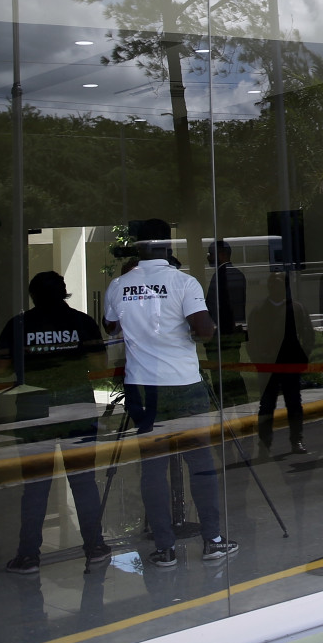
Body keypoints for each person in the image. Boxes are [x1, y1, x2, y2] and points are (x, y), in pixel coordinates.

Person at [102, 224, 237, 568]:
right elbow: (205, 330)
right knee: (200, 464)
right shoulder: (184, 282)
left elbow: (110, 325)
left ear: (137, 248)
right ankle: (213, 540)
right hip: (183, 383)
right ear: (168, 246)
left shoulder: (119, 285)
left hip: (142, 386)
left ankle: (164, 547)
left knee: (152, 470)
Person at [0, 272, 111, 574]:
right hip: (77, 406)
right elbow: (99, 364)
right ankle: (95, 547)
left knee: (35, 485)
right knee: (83, 480)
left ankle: (28, 556)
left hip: (34, 409)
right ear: (64, 292)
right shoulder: (82, 321)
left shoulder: (19, 324)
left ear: (33, 295)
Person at [248, 273, 315, 459]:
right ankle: (264, 445)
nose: (275, 287)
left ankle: (297, 440)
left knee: (294, 404)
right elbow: (252, 338)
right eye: (272, 283)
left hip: (291, 365)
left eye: (279, 284)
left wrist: (303, 357)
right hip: (268, 366)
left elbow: (308, 334)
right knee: (267, 406)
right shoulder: (259, 310)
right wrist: (258, 359)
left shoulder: (297, 308)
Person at [205, 239, 249, 406]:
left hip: (222, 337)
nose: (208, 258)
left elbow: (217, 308)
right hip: (232, 334)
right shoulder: (237, 274)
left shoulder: (221, 276)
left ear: (222, 254)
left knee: (223, 376)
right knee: (232, 372)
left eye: (211, 254)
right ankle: (240, 404)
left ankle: (228, 405)